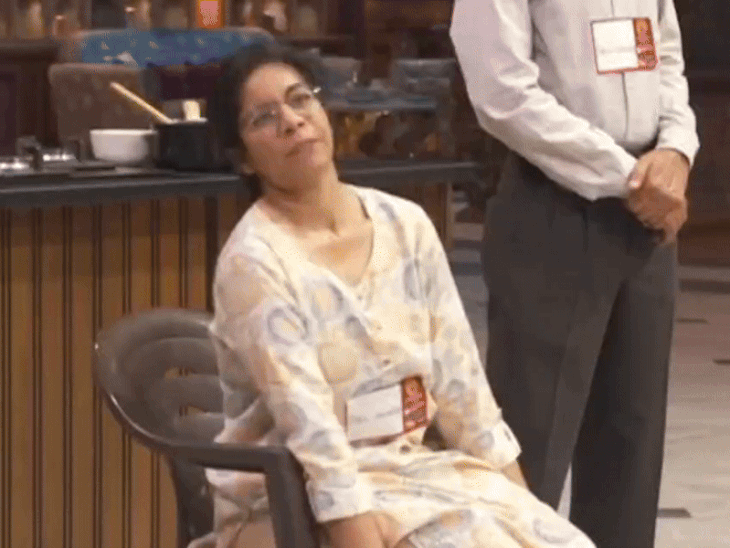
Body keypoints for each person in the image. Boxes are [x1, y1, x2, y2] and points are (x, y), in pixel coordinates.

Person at [203, 42, 597, 548]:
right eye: (264, 118)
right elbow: (313, 437)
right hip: (291, 495)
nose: (292, 121)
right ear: (243, 158)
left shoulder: (405, 224)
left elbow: (464, 391)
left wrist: (529, 515)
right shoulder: (255, 262)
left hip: (412, 474)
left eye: (300, 99)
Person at [449, 1, 699, 547]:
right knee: (531, 440)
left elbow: (667, 59)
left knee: (630, 439)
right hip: (554, 198)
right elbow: (503, 95)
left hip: (646, 210)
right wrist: (631, 177)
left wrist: (676, 149)